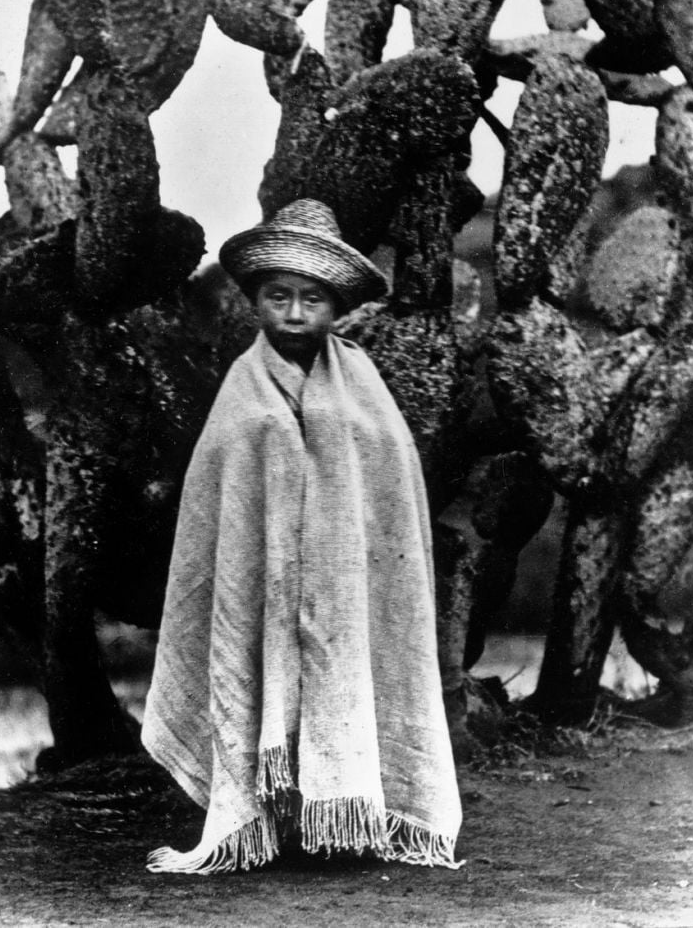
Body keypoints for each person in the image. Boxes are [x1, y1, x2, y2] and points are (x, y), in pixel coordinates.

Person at [141, 198, 462, 874]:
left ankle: (349, 808)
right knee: (256, 660)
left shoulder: (363, 386)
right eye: (277, 295)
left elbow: (388, 488)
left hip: (345, 584)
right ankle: (265, 815)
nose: (293, 312)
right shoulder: (242, 390)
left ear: (336, 305)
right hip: (266, 581)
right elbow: (217, 508)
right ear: (256, 300)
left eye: (310, 298)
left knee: (344, 671)